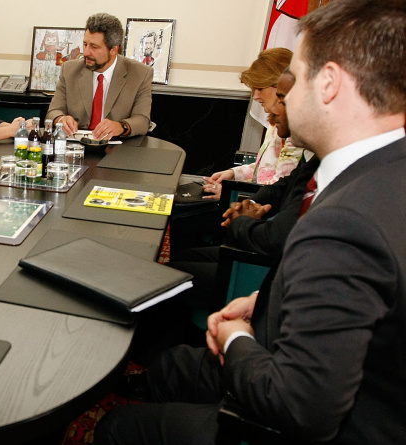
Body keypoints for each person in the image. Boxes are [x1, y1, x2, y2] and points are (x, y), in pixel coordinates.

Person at [95, 1, 406, 444]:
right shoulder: (384, 174)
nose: (283, 96)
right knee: (176, 369)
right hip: (290, 342)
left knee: (117, 429)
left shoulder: (346, 222)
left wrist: (239, 338)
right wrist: (266, 300)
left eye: (294, 79)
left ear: (330, 84)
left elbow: (300, 407)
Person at [168, 69, 318, 312]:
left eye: (282, 100)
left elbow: (274, 239)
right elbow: (281, 187)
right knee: (181, 256)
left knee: (167, 275)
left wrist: (240, 219)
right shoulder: (313, 157)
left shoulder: (323, 167)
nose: (272, 110)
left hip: (264, 272)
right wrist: (247, 204)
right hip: (260, 245)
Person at [202, 48, 309, 200]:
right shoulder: (275, 123)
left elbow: (278, 189)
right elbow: (264, 170)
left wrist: (231, 194)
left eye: (260, 88)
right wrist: (233, 174)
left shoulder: (294, 131)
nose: (255, 96)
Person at [46, 13, 153, 140]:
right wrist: (61, 119)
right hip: (76, 146)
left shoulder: (140, 73)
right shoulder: (69, 70)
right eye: (85, 44)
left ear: (113, 49)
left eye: (94, 47)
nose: (85, 52)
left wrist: (120, 126)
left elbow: (142, 120)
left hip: (118, 149)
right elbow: (53, 112)